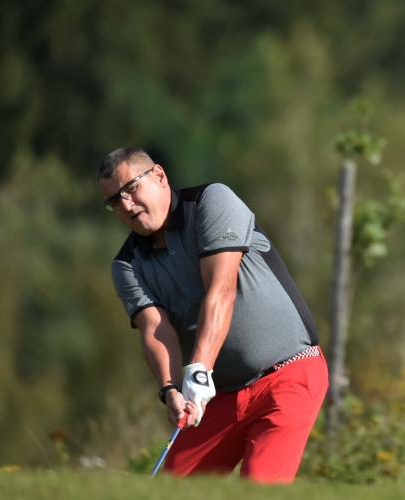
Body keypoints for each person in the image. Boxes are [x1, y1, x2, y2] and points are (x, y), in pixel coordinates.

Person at [97, 147, 328, 483]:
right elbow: (156, 329)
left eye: (131, 188)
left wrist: (199, 369)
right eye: (114, 201)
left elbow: (221, 289)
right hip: (218, 395)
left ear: (159, 176)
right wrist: (171, 389)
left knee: (259, 487)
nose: (127, 205)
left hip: (288, 373)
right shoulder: (127, 265)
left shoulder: (211, 202)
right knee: (171, 490)